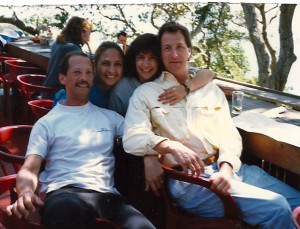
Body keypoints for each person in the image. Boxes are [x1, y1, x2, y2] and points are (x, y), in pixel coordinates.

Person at [123, 21, 300, 229]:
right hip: (190, 181)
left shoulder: (210, 90)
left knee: (296, 200)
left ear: (189, 51)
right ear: (161, 54)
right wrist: (170, 145)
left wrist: (226, 169)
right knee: (276, 207)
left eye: (179, 47)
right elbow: (132, 136)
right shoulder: (146, 94)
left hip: (229, 169)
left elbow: (229, 134)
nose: (174, 55)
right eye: (167, 49)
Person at [5, 51, 155, 229]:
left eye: (88, 73)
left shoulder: (110, 118)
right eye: (77, 72)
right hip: (64, 193)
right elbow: (30, 168)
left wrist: (150, 156)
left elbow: (139, 135)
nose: (84, 78)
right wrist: (26, 192)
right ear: (62, 78)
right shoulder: (47, 123)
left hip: (107, 196)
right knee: (66, 215)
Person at [108, 33, 215, 117]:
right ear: (133, 60)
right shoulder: (121, 91)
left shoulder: (169, 74)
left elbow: (208, 73)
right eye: (141, 57)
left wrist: (185, 88)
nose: (146, 64)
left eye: (152, 58)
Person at [42, 16, 92, 99]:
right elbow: (88, 66)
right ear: (83, 32)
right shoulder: (73, 49)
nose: (89, 36)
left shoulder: (57, 43)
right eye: (89, 32)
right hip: (57, 95)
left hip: (46, 91)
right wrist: (87, 44)